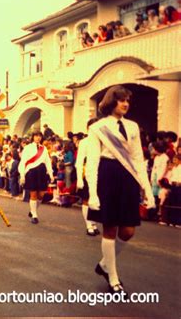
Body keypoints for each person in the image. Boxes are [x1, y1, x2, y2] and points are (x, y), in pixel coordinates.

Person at [86, 85, 155, 294]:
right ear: (111, 102)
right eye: (121, 100)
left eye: (127, 100)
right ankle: (113, 279)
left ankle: (105, 264)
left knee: (127, 232)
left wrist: (148, 192)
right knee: (110, 229)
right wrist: (92, 193)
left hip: (128, 178)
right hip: (107, 175)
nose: (125, 104)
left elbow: (137, 159)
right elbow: (93, 162)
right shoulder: (97, 128)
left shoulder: (133, 126)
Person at [19, 131, 53, 224]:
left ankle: (32, 210)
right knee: (33, 194)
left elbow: (48, 161)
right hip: (31, 172)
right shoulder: (28, 148)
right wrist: (22, 174)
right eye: (36, 136)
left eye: (40, 136)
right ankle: (34, 214)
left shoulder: (44, 148)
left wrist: (50, 173)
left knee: (41, 195)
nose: (38, 138)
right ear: (33, 137)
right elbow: (23, 161)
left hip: (41, 172)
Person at [75, 118, 100, 236]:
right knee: (86, 200)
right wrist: (80, 178)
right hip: (89, 174)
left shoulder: (103, 141)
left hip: (101, 174)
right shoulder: (84, 142)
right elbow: (79, 161)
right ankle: (88, 225)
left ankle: (94, 222)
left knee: (97, 200)